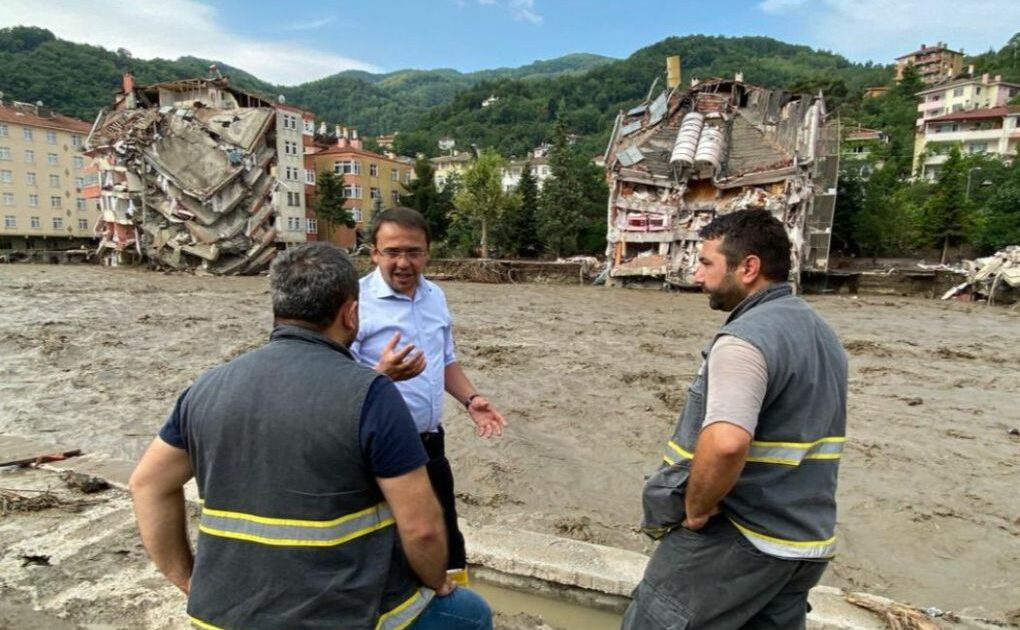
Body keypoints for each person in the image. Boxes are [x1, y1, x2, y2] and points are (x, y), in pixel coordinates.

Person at [129, 243, 492, 630]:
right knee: (469, 613)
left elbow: (147, 485)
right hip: (341, 616)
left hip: (221, 617)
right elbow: (422, 529)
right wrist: (436, 581)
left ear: (278, 308)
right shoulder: (371, 394)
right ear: (351, 313)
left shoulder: (206, 387)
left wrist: (190, 581)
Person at [622, 209, 849, 630]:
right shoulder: (820, 333)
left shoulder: (744, 341)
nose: (696, 275)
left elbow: (726, 443)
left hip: (739, 538)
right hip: (802, 544)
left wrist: (694, 509)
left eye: (707, 262)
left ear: (748, 268)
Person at [352, 207, 507, 575]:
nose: (403, 263)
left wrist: (472, 400)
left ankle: (452, 610)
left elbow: (446, 361)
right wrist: (382, 375)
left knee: (447, 539)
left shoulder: (435, 296)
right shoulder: (354, 303)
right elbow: (335, 383)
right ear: (373, 253)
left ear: (427, 252)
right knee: (390, 544)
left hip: (429, 442)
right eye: (392, 252)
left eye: (413, 251)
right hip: (378, 449)